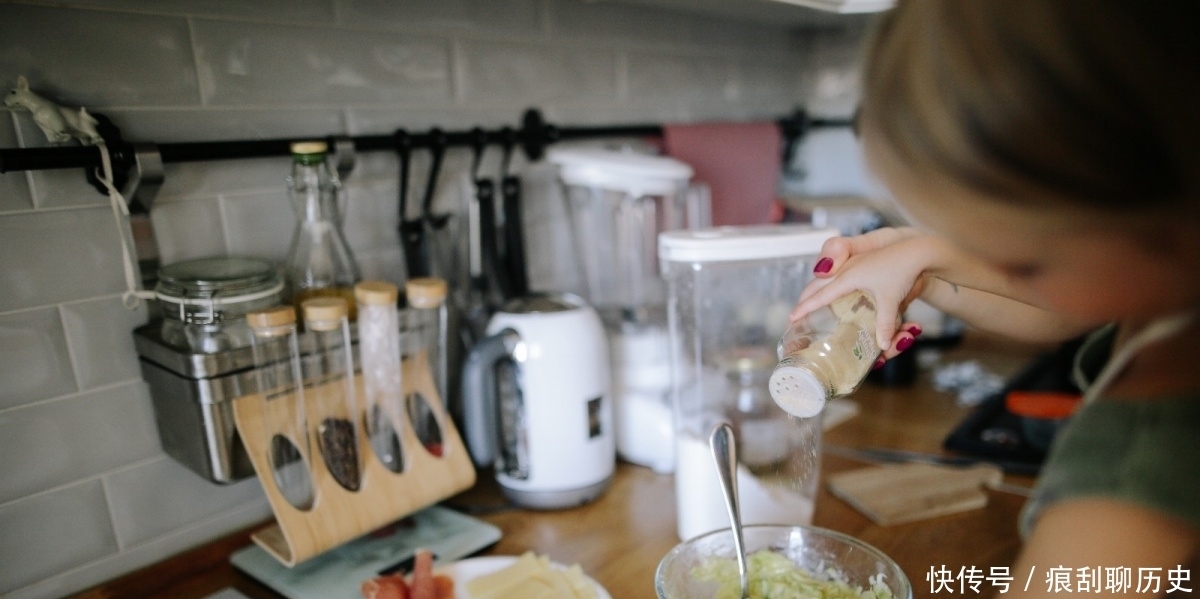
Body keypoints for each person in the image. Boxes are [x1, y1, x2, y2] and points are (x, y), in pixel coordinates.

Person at [790, 1, 1199, 595]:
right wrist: (927, 265)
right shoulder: (1165, 297)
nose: (997, 269)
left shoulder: (1137, 469)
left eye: (1025, 260)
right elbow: (1077, 306)